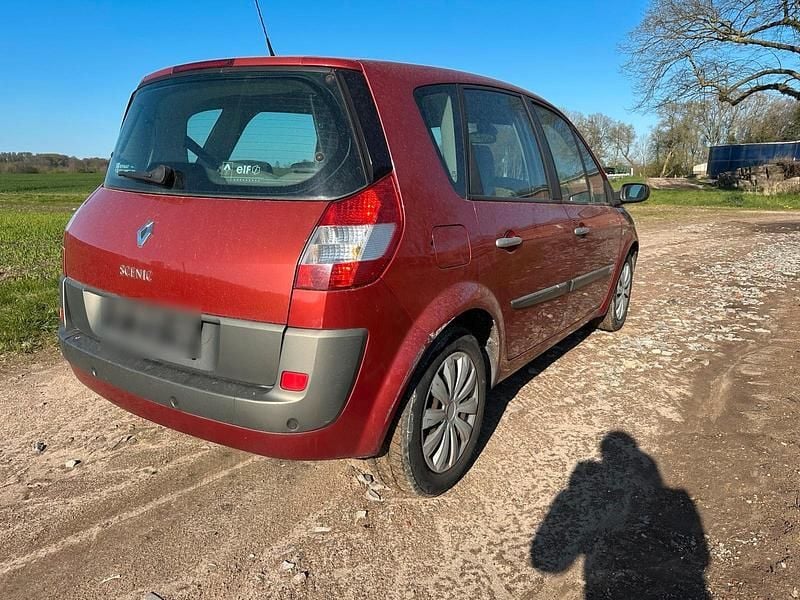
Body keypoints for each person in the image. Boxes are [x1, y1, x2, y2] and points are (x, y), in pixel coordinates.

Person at [531, 432, 709, 599]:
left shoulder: (593, 499)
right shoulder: (676, 500)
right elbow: (701, 557)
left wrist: (574, 503)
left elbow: (550, 561)